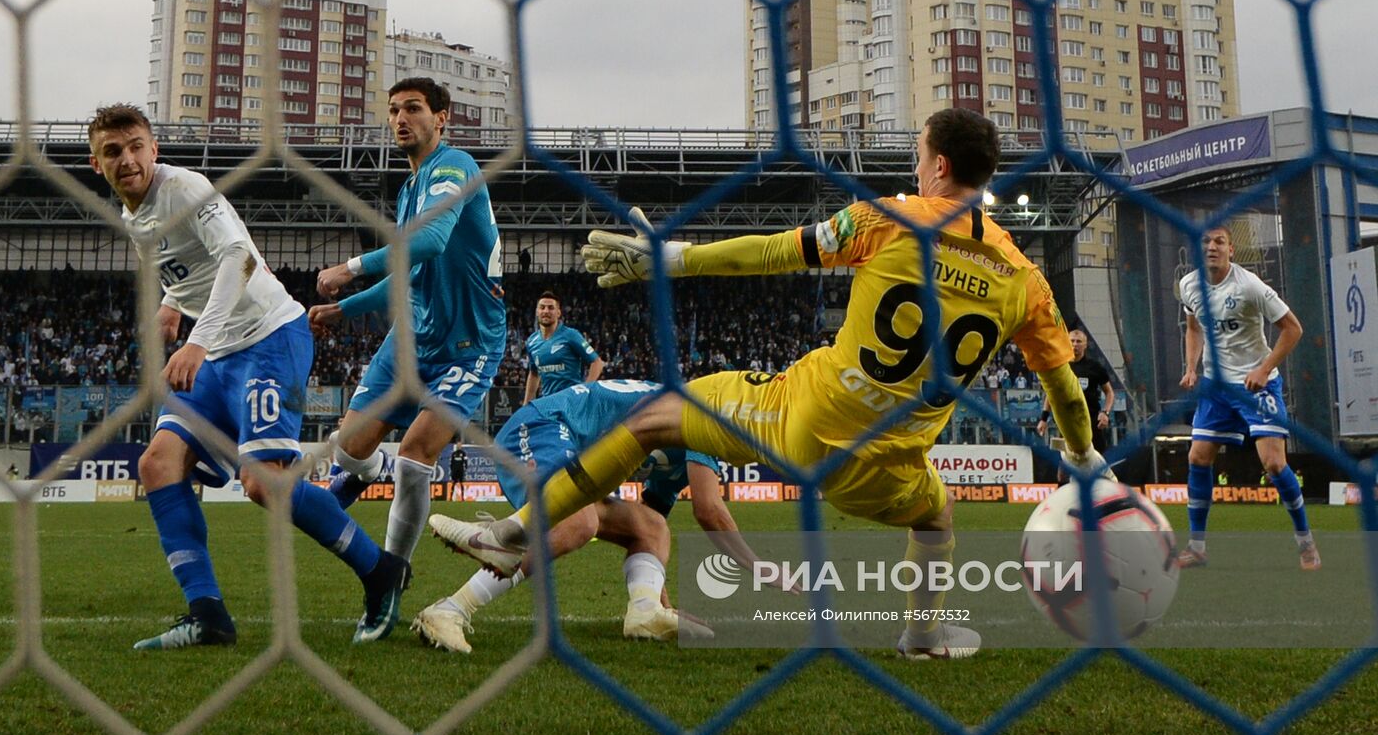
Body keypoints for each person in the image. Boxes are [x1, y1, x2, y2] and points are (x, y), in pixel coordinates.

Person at [430, 108, 1101, 660]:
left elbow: (776, 249)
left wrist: (675, 258)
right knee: (938, 513)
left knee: (652, 420)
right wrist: (1081, 455)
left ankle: (517, 528)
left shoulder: (892, 216)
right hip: (887, 462)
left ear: (940, 167)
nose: (915, 168)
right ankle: (921, 635)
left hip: (797, 416)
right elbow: (1065, 390)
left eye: (920, 157)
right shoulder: (1026, 280)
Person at [88, 104, 410, 649]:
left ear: (154, 149)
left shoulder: (185, 187)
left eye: (137, 145)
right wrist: (170, 303)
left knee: (264, 483)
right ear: (96, 164)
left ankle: (381, 570)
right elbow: (192, 264)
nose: (128, 159)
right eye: (114, 151)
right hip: (219, 357)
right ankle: (207, 614)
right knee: (158, 463)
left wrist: (196, 340)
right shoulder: (132, 214)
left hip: (269, 339)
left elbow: (238, 257)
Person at [310, 77, 506, 565]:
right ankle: (365, 471)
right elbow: (410, 275)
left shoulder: (455, 166)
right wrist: (345, 309)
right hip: (412, 338)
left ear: (441, 118)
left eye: (413, 109)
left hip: (470, 341)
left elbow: (431, 241)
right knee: (348, 451)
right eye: (394, 110)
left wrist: (349, 269)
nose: (401, 119)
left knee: (417, 454)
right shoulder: (408, 191)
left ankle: (391, 572)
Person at [415, 379, 741, 652]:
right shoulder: (709, 418)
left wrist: (660, 603)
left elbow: (652, 518)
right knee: (580, 520)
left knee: (653, 527)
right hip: (544, 426)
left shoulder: (701, 432)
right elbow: (709, 510)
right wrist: (765, 569)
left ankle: (644, 612)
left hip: (576, 448)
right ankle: (450, 609)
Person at [1176, 225, 1316, 570]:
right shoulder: (1188, 285)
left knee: (1273, 464)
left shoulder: (1250, 286)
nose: (1211, 247)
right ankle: (1196, 547)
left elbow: (1293, 329)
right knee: (1198, 458)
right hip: (1216, 387)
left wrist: (1264, 369)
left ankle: (1306, 543)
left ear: (1231, 250)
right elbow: (1194, 328)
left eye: (1219, 242)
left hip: (1257, 385)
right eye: (1205, 242)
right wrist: (1192, 368)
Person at [1037, 328, 1115, 453]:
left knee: (1098, 462)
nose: (1075, 344)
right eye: (1072, 341)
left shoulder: (1095, 367)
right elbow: (1051, 394)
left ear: (1085, 345)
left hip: (1091, 420)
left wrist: (1105, 413)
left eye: (1079, 341)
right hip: (1068, 422)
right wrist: (1043, 419)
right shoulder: (1061, 367)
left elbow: (1109, 392)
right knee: (1066, 464)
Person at [523, 290, 604, 404]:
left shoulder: (571, 335)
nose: (546, 311)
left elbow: (597, 363)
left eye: (551, 308)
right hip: (548, 403)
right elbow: (534, 373)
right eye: (542, 307)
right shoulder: (532, 341)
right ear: (537, 312)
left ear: (558, 313)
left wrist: (584, 390)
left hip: (571, 402)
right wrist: (526, 405)